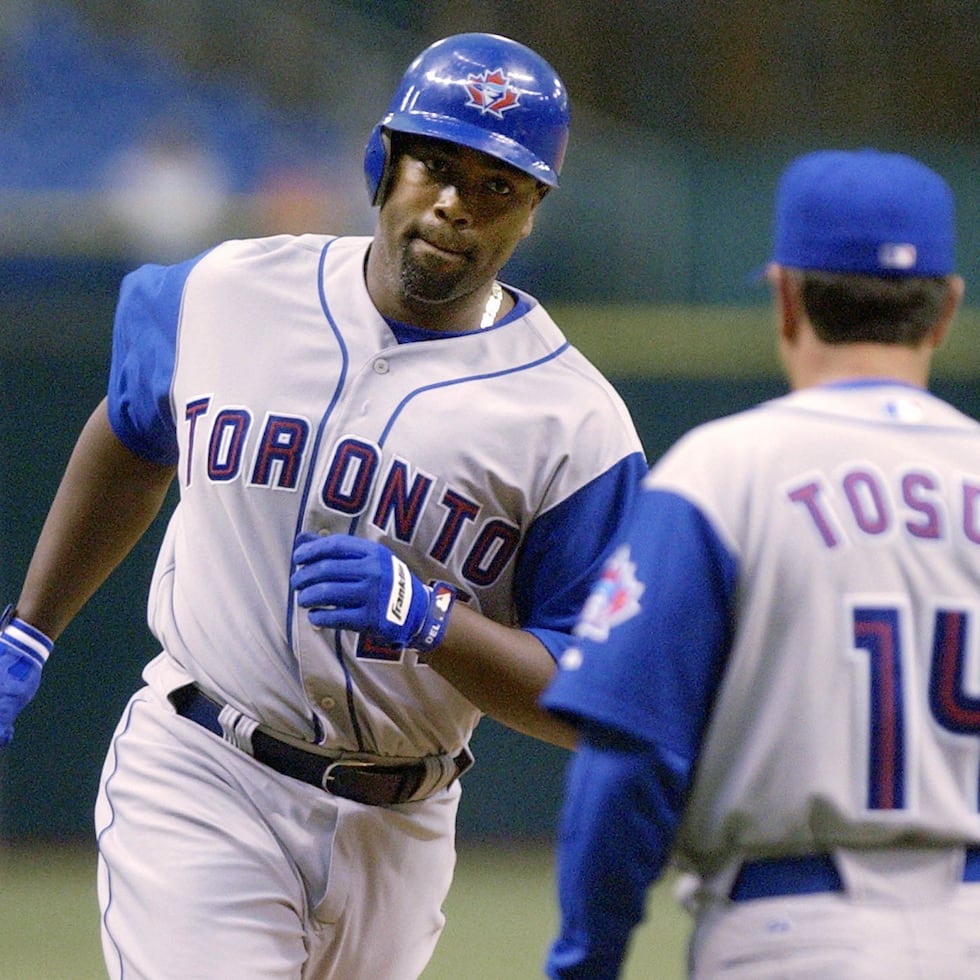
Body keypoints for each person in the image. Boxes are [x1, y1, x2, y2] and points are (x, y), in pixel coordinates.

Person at [0, 33, 646, 980]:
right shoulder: (230, 291)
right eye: (436, 164)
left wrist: (433, 621)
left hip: (403, 825)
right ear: (383, 161)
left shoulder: (576, 425)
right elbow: (133, 428)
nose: (456, 204)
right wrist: (31, 627)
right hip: (203, 765)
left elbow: (593, 696)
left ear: (532, 212)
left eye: (497, 186)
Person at [540, 148, 979, 978]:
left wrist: (586, 959)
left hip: (791, 933)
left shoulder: (722, 473)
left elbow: (630, 756)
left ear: (784, 297)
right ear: (946, 308)